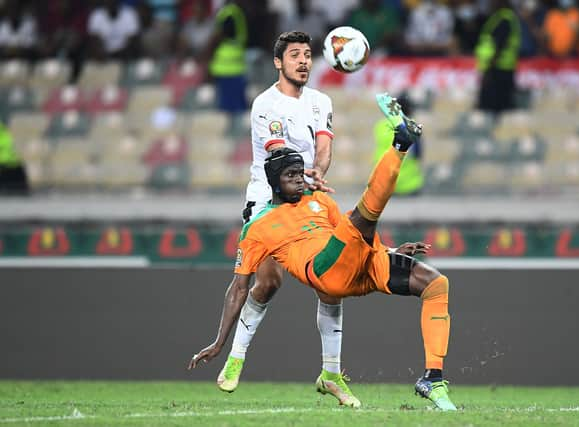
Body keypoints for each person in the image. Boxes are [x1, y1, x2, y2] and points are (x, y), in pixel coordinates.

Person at [189, 94, 457, 411]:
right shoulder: (258, 228)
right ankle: (399, 145)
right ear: (274, 182)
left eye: (300, 174)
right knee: (364, 214)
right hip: (325, 270)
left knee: (435, 283)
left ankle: (432, 378)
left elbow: (351, 239)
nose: (299, 181)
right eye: (291, 176)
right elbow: (240, 287)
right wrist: (220, 342)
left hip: (359, 264)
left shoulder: (319, 200)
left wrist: (390, 250)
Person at [209, 31, 360, 408]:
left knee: (331, 282)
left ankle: (331, 374)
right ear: (279, 62)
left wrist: (318, 173)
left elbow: (323, 146)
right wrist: (306, 176)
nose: (304, 61)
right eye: (295, 55)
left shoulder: (321, 101)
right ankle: (235, 357)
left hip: (308, 195)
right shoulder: (265, 104)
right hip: (270, 198)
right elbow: (278, 155)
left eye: (308, 55)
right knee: (269, 282)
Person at [205, 0, 249, 137]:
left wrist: (207, 51)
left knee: (230, 110)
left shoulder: (228, 13)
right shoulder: (237, 13)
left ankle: (232, 139)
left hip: (226, 69)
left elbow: (221, 35)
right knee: (235, 109)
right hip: (235, 68)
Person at [475, 0, 521, 116]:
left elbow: (500, 45)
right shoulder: (501, 17)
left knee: (493, 108)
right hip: (500, 68)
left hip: (498, 70)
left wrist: (489, 69)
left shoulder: (504, 19)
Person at [373, 93, 423, 195]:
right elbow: (418, 154)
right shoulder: (412, 127)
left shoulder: (380, 125)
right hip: (409, 184)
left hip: (385, 184)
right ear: (409, 110)